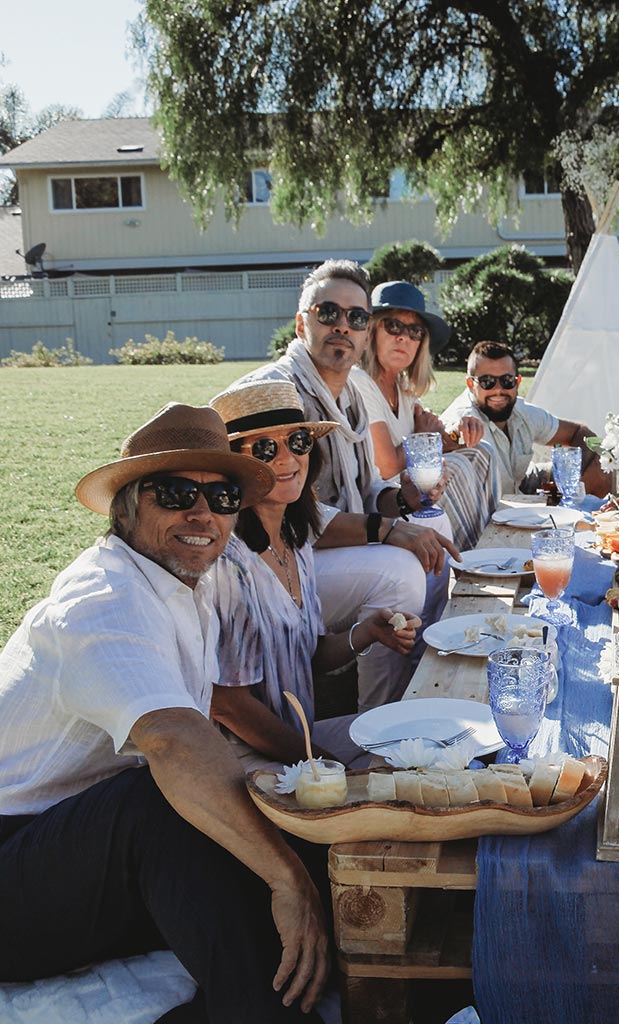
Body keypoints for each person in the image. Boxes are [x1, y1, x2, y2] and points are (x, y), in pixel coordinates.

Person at [0, 403, 330, 1022]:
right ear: (126, 507)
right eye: (176, 493)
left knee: (264, 811)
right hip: (16, 865)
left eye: (223, 495)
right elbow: (177, 739)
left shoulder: (180, 584)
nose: (202, 513)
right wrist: (288, 882)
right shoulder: (105, 598)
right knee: (165, 800)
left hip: (71, 847)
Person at [236, 259, 456, 709]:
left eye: (356, 317)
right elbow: (287, 514)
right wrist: (390, 529)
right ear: (302, 324)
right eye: (328, 313)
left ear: (364, 331)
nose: (343, 326)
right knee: (399, 573)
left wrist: (406, 499)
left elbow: (371, 487)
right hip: (276, 566)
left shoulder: (350, 392)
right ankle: (383, 714)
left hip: (327, 550)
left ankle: (419, 673)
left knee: (438, 530)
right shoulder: (278, 393)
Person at [209, 379, 421, 770]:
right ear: (232, 464)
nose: (288, 459)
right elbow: (227, 706)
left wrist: (367, 633)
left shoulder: (295, 540)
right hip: (248, 761)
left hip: (299, 740)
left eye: (299, 441)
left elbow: (306, 655)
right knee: (398, 773)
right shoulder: (228, 562)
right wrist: (321, 763)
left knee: (419, 740)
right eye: (265, 448)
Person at [352, 280, 498, 551]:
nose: (403, 338)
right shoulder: (360, 382)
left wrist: (460, 430)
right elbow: (386, 466)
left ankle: (489, 544)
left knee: (481, 452)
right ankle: (474, 560)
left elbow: (439, 438)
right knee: (451, 469)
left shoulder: (403, 388)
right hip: (382, 501)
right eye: (393, 326)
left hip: (407, 485)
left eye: (414, 331)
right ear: (371, 331)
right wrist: (422, 436)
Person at [442, 339, 611, 497]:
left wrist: (574, 479)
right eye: (487, 381)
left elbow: (579, 432)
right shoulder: (463, 418)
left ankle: (583, 518)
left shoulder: (521, 411)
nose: (498, 390)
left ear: (518, 382)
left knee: (604, 463)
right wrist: (455, 435)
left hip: (522, 488)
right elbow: (442, 441)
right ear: (471, 384)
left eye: (507, 380)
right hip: (487, 509)